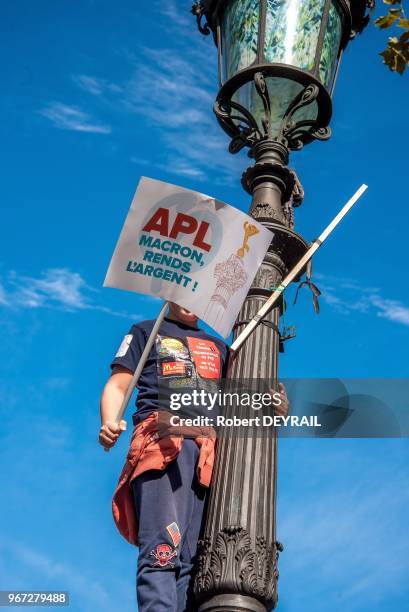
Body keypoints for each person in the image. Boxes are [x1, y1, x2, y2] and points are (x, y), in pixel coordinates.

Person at [99, 302, 288, 612]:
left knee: (194, 563)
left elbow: (245, 403)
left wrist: (275, 406)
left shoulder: (222, 348)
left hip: (209, 459)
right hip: (163, 447)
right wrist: (109, 420)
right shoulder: (147, 330)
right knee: (162, 552)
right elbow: (119, 384)